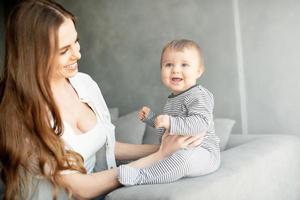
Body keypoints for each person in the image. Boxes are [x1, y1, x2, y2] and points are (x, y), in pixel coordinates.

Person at [0, 1, 202, 199]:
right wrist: (159, 156)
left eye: (76, 42)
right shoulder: (22, 114)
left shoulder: (83, 83)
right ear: (33, 56)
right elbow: (82, 189)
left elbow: (105, 145)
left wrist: (162, 147)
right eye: (64, 50)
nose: (78, 54)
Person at [118, 39, 220, 185]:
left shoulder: (199, 95)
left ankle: (141, 177)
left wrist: (170, 121)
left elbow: (201, 123)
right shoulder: (173, 99)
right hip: (176, 148)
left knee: (183, 160)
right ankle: (131, 168)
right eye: (168, 65)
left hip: (203, 152)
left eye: (184, 64)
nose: (175, 70)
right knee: (169, 157)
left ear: (199, 71)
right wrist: (153, 119)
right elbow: (169, 128)